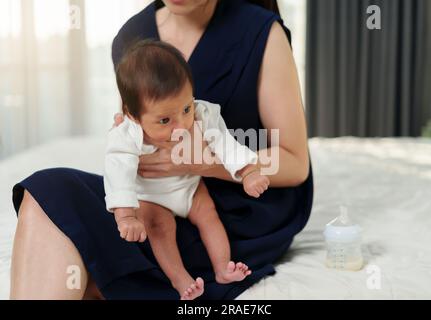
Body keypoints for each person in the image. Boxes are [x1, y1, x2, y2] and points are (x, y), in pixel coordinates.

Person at [10, 0, 313, 300]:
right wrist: (127, 201)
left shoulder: (262, 33)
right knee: (47, 191)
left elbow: (295, 163)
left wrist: (200, 164)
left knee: (83, 262)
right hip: (153, 204)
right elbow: (134, 132)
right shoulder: (132, 34)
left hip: (238, 217)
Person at [107, 39, 269, 299]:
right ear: (133, 115)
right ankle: (180, 280)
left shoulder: (202, 115)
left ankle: (222, 268)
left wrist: (248, 171)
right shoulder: (127, 134)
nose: (182, 125)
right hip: (151, 196)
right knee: (159, 228)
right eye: (164, 120)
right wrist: (125, 215)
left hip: (190, 185)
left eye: (186, 108)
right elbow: (118, 171)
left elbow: (226, 142)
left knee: (209, 214)